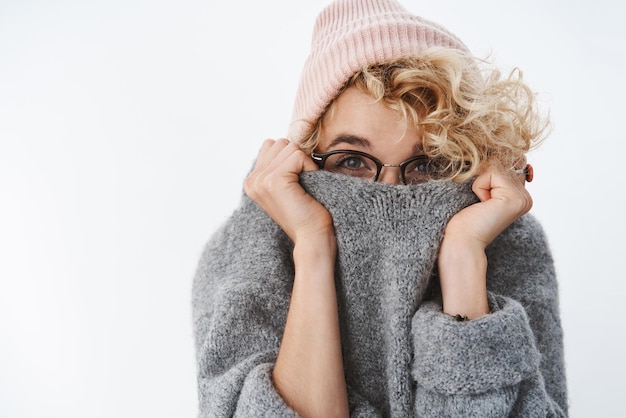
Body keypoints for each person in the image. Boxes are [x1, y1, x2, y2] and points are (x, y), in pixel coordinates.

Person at [192, 0, 567, 416]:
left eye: (427, 164)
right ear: (306, 155)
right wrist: (313, 247)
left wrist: (463, 256)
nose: (389, 192)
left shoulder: (506, 241)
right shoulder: (250, 245)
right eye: (352, 161)